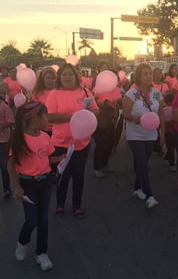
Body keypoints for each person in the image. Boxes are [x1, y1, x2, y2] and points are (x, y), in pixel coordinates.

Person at [7, 101, 64, 271]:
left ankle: (42, 253)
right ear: (35, 118)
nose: (48, 118)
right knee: (32, 220)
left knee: (44, 220)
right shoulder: (19, 139)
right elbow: (11, 164)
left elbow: (48, 159)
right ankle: (22, 242)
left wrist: (62, 159)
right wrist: (16, 186)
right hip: (27, 184)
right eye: (45, 115)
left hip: (45, 183)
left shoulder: (45, 137)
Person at [46, 63, 99, 219]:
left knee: (78, 175)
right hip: (60, 143)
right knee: (63, 175)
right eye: (64, 74)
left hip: (82, 143)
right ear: (60, 77)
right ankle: (60, 203)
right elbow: (50, 117)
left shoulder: (85, 91)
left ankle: (77, 205)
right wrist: (72, 117)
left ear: (76, 76)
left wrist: (89, 114)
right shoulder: (54, 94)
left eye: (70, 74)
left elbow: (96, 110)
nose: (67, 77)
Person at [122, 63, 165, 209]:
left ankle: (136, 189)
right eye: (145, 73)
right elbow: (125, 114)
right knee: (142, 164)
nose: (149, 76)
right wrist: (135, 118)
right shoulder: (131, 94)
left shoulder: (157, 93)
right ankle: (149, 195)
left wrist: (163, 132)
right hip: (135, 134)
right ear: (138, 76)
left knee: (142, 164)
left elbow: (161, 114)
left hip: (151, 134)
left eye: (150, 73)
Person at [92, 78, 122, 178]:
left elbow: (118, 103)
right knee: (101, 144)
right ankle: (97, 168)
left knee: (110, 143)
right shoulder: (98, 88)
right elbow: (92, 102)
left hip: (112, 118)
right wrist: (103, 104)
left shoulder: (116, 89)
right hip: (100, 119)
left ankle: (105, 164)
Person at [32, 67, 57, 135]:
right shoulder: (36, 93)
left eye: (53, 78)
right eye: (48, 78)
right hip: (41, 129)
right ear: (43, 79)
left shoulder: (60, 92)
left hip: (57, 129)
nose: (50, 80)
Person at [163, 93, 176, 172]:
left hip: (173, 131)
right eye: (171, 102)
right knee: (171, 148)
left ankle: (167, 157)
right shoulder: (164, 110)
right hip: (167, 132)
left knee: (172, 147)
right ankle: (172, 164)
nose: (172, 103)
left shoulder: (176, 109)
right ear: (167, 102)